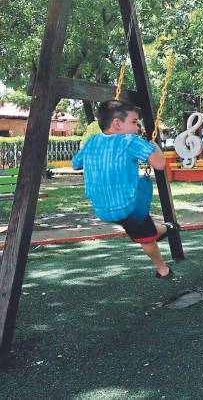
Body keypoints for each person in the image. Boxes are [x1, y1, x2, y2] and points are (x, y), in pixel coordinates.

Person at [72, 101, 178, 279]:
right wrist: (155, 147)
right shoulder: (130, 141)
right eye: (134, 122)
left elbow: (76, 164)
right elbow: (160, 165)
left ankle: (166, 229)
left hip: (101, 209)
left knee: (139, 224)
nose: (137, 128)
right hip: (127, 207)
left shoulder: (92, 141)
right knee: (145, 237)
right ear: (117, 124)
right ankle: (163, 270)